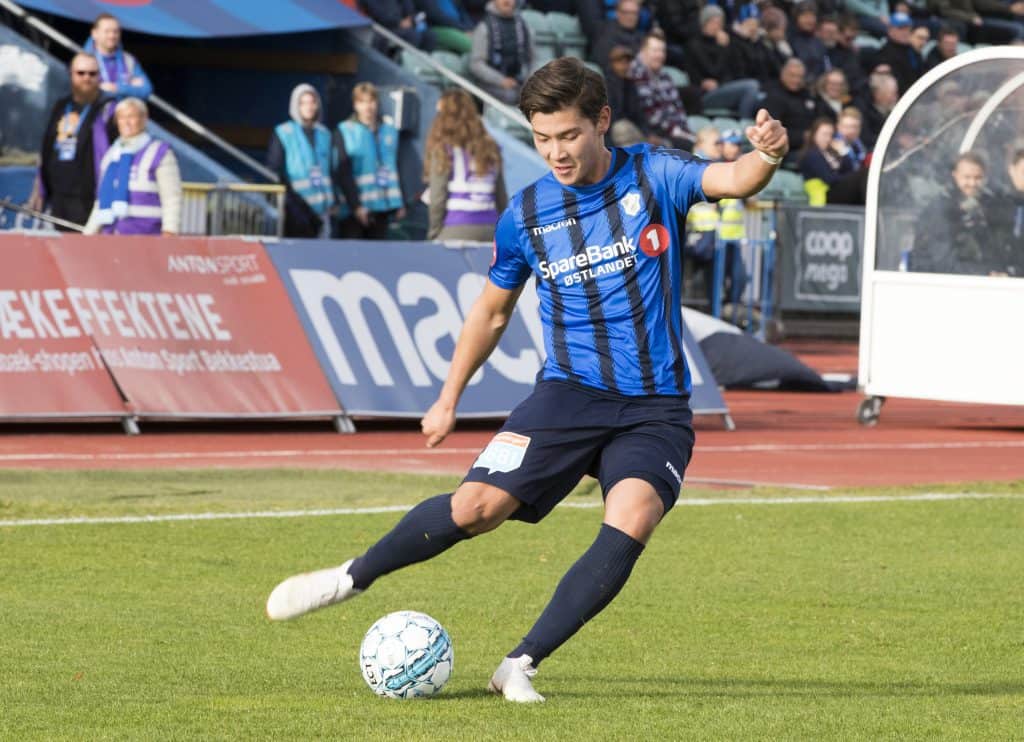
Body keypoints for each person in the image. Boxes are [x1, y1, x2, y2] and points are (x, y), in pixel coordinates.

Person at [265, 56, 790, 703]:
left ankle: (519, 664)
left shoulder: (655, 174)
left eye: (568, 135)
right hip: (568, 394)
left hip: (654, 406)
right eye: (542, 138)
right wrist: (447, 398)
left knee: (634, 516)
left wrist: (767, 155)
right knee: (475, 508)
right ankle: (351, 577)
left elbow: (734, 177)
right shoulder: (527, 213)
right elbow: (491, 312)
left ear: (601, 121)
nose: (556, 152)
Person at [30, 53, 118, 230]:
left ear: (99, 76)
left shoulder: (109, 108)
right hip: (58, 195)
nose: (87, 78)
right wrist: (39, 187)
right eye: (81, 73)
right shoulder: (61, 105)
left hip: (89, 197)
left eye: (92, 74)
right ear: (71, 74)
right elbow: (47, 148)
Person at [267, 84, 355, 238]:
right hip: (297, 211)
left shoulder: (325, 134)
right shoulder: (284, 132)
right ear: (296, 106)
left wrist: (335, 200)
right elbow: (273, 170)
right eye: (303, 103)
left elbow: (332, 170)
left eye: (312, 102)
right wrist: (290, 204)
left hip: (324, 210)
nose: (309, 107)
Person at [82, 97, 180, 235]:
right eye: (121, 118)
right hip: (112, 236)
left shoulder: (160, 152)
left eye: (131, 117)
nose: (126, 122)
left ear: (144, 119)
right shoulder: (111, 155)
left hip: (147, 235)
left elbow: (172, 198)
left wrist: (170, 232)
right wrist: (88, 235)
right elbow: (101, 201)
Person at [423, 89, 508, 241]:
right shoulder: (491, 149)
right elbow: (501, 198)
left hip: (456, 227)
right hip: (491, 228)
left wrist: (434, 233)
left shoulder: (443, 150)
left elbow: (437, 199)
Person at [337, 83, 405, 239]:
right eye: (362, 102)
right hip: (353, 211)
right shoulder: (345, 130)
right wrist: (356, 206)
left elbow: (396, 166)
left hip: (383, 207)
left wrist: (400, 203)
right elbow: (343, 172)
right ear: (355, 105)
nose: (368, 107)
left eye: (371, 101)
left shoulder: (389, 131)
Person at [913, 152, 998, 275]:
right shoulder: (940, 209)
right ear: (955, 175)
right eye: (967, 177)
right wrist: (986, 274)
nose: (972, 183)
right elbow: (944, 263)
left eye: (978, 178)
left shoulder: (987, 203)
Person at [684, 5, 762, 118]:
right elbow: (713, 71)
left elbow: (738, 68)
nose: (717, 26)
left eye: (720, 23)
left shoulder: (725, 41)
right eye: (713, 22)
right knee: (751, 86)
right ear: (704, 23)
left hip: (725, 86)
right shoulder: (695, 45)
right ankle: (745, 123)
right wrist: (723, 48)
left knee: (762, 97)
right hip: (705, 94)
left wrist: (751, 43)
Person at [630, 30, 696, 150]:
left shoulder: (665, 76)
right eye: (655, 50)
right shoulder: (636, 74)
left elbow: (678, 108)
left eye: (662, 51)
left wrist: (685, 131)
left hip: (672, 131)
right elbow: (650, 114)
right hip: (651, 133)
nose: (660, 55)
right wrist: (677, 131)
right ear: (643, 51)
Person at [469, 0, 535, 105]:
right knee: (510, 96)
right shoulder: (484, 27)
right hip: (490, 83)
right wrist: (500, 80)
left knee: (538, 95)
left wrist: (530, 80)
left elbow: (532, 58)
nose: (507, 1)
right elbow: (476, 64)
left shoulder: (523, 26)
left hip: (518, 81)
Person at [761, 57, 828, 152]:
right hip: (787, 149)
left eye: (800, 77)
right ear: (783, 74)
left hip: (813, 144)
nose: (796, 80)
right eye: (792, 75)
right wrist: (803, 136)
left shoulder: (807, 94)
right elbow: (772, 131)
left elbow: (821, 115)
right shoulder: (774, 97)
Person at [83, 13, 153, 100]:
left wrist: (118, 88)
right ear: (94, 33)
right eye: (107, 31)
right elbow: (81, 90)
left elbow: (146, 90)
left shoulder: (128, 59)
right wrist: (130, 86)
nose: (112, 36)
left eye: (116, 31)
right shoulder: (83, 61)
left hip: (124, 108)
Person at [874, 13, 924, 95]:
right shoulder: (885, 54)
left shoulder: (912, 50)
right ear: (890, 30)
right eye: (901, 28)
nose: (905, 32)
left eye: (908, 28)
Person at [590, 0, 646, 73]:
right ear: (617, 13)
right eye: (626, 12)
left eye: (634, 13)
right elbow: (601, 60)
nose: (630, 16)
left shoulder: (642, 36)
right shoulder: (606, 32)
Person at [855, 70, 899, 149]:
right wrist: (897, 141)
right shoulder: (862, 111)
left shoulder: (890, 107)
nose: (895, 98)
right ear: (877, 94)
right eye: (892, 94)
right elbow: (867, 139)